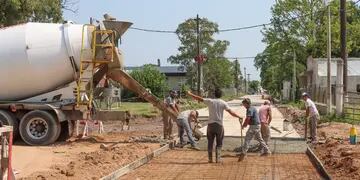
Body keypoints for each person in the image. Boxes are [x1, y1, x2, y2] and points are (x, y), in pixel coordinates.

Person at [187, 89, 241, 163]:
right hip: (219, 125)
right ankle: (218, 159)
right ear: (221, 95)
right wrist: (239, 116)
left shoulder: (210, 101)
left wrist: (190, 94)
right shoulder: (223, 103)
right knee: (219, 142)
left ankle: (210, 159)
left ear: (214, 94)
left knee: (210, 142)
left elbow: (199, 98)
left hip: (210, 125)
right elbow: (231, 112)